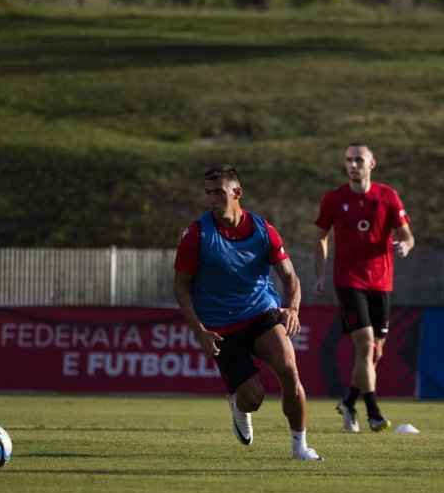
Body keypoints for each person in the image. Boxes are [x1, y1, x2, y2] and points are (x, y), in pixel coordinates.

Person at [173, 164, 321, 461]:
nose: (212, 199)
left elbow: (291, 278)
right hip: (221, 328)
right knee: (254, 398)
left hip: (261, 314)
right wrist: (199, 332)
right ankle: (239, 406)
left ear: (237, 192)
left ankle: (300, 447)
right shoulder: (197, 234)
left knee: (290, 372)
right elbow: (180, 286)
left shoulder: (264, 231)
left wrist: (292, 308)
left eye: (219, 192)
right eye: (208, 193)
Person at [313, 143, 415, 433]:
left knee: (374, 353)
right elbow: (319, 238)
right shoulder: (334, 199)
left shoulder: (388, 196)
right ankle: (374, 413)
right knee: (365, 344)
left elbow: (408, 236)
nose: (353, 165)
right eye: (349, 160)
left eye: (359, 159)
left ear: (372, 163)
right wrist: (320, 274)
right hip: (349, 281)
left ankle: (349, 401)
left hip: (381, 282)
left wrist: (405, 245)